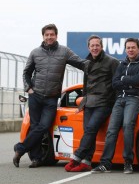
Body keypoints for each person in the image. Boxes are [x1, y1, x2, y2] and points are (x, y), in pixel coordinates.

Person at [13, 24, 86, 168]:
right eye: (47, 35)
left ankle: (20, 148)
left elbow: (81, 63)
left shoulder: (64, 51)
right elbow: (26, 72)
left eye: (52, 34)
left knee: (44, 126)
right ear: (43, 36)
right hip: (35, 95)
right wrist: (29, 89)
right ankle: (36, 158)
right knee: (35, 126)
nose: (49, 37)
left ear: (56, 36)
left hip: (51, 98)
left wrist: (99, 65)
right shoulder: (35, 52)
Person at [91, 38, 139, 174]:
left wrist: (124, 80)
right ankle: (105, 164)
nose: (130, 50)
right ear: (125, 49)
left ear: (138, 49)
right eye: (128, 48)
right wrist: (129, 82)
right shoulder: (122, 64)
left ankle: (128, 162)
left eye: (133, 47)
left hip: (136, 99)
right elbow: (114, 83)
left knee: (127, 125)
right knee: (111, 130)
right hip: (120, 99)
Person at [64, 35, 119, 172]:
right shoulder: (87, 63)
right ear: (89, 47)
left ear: (101, 46)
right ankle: (86, 161)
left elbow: (117, 85)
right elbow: (86, 86)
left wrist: (116, 105)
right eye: (92, 45)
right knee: (90, 132)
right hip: (89, 104)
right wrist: (82, 103)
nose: (95, 48)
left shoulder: (112, 62)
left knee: (90, 129)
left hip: (104, 103)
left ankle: (77, 157)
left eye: (97, 45)